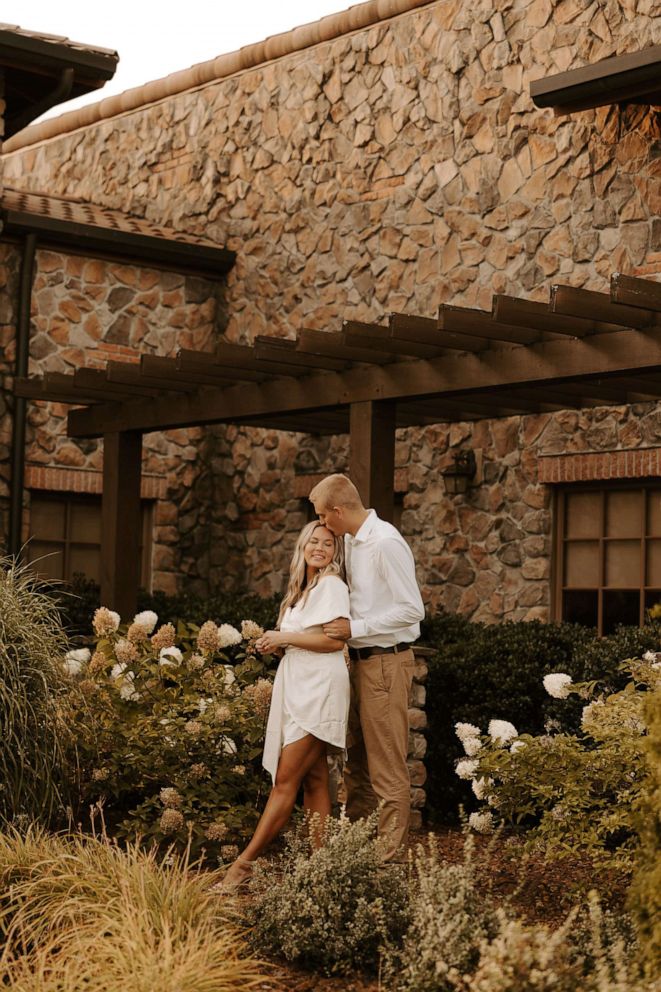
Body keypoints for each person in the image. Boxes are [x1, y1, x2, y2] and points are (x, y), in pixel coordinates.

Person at [218, 520, 351, 890]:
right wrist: (276, 643)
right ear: (303, 546)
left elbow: (334, 642)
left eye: (327, 543)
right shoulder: (302, 590)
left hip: (320, 688)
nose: (320, 547)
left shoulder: (333, 586)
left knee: (285, 780)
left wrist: (285, 637)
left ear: (334, 552)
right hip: (298, 685)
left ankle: (243, 865)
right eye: (314, 541)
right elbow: (304, 637)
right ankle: (323, 871)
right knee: (314, 779)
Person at [309, 473, 425, 863]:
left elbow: (413, 609)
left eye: (324, 517)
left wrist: (355, 628)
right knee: (356, 765)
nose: (323, 526)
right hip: (356, 665)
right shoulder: (352, 543)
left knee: (387, 768)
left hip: (386, 664)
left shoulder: (386, 543)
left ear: (339, 511)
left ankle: (387, 863)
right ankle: (357, 856)